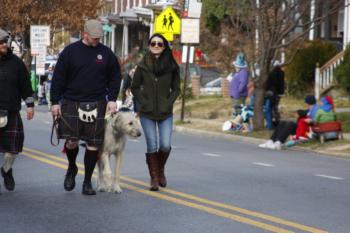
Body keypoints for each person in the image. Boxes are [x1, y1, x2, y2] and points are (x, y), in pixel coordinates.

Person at [50, 19, 121, 195]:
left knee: (93, 144)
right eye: (94, 37)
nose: (97, 41)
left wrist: (112, 99)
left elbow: (115, 77)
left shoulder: (106, 54)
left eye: (99, 38)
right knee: (72, 141)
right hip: (72, 101)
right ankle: (72, 167)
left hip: (97, 102)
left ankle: (87, 181)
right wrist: (54, 102)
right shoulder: (70, 52)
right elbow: (58, 78)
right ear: (85, 34)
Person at [131, 33, 180, 191]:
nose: (156, 46)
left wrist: (168, 101)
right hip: (148, 113)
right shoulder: (143, 64)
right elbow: (135, 87)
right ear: (149, 46)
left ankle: (160, 171)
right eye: (153, 43)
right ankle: (154, 178)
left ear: (164, 46)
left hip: (165, 112)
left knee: (165, 145)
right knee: (152, 145)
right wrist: (143, 102)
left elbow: (177, 88)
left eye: (160, 44)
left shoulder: (172, 66)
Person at [0, 28, 35, 193]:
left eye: (4, 42)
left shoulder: (16, 63)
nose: (3, 45)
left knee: (13, 149)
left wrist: (30, 105)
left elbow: (26, 86)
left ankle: (7, 170)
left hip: (11, 111)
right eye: (0, 42)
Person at [266, 60, 285, 126]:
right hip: (279, 92)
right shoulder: (282, 72)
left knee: (271, 107)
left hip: (272, 92)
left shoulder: (271, 73)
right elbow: (282, 83)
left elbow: (270, 83)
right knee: (275, 107)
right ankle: (276, 120)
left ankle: (273, 121)